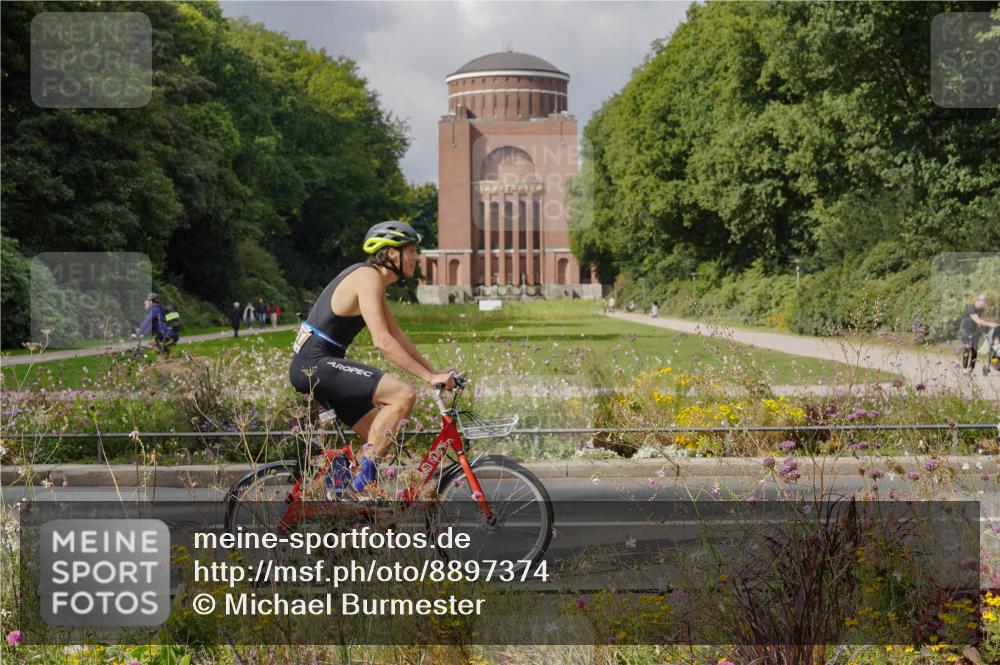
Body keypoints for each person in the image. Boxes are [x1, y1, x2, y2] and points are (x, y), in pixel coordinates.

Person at [289, 221, 456, 497]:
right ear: (392, 253)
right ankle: (357, 491)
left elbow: (396, 334)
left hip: (321, 365)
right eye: (412, 250)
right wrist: (427, 378)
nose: (417, 257)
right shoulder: (367, 277)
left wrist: (434, 371)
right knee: (402, 395)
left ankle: (339, 503)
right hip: (315, 364)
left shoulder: (374, 282)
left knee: (378, 439)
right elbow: (383, 341)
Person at [135, 292, 179, 359]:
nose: (145, 302)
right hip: (165, 335)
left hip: (167, 335)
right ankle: (165, 361)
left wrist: (140, 331)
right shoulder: (157, 309)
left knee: (160, 351)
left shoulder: (155, 309)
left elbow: (147, 320)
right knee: (153, 344)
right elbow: (150, 326)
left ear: (151, 302)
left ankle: (164, 362)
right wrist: (143, 334)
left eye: (146, 301)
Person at [960, 294, 996, 374]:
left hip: (974, 330)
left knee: (975, 349)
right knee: (968, 348)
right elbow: (978, 320)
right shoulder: (971, 308)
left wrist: (991, 326)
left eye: (985, 302)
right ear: (977, 301)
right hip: (965, 330)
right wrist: (990, 324)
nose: (984, 304)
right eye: (983, 302)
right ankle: (964, 368)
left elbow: (984, 318)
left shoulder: (981, 309)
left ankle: (971, 368)